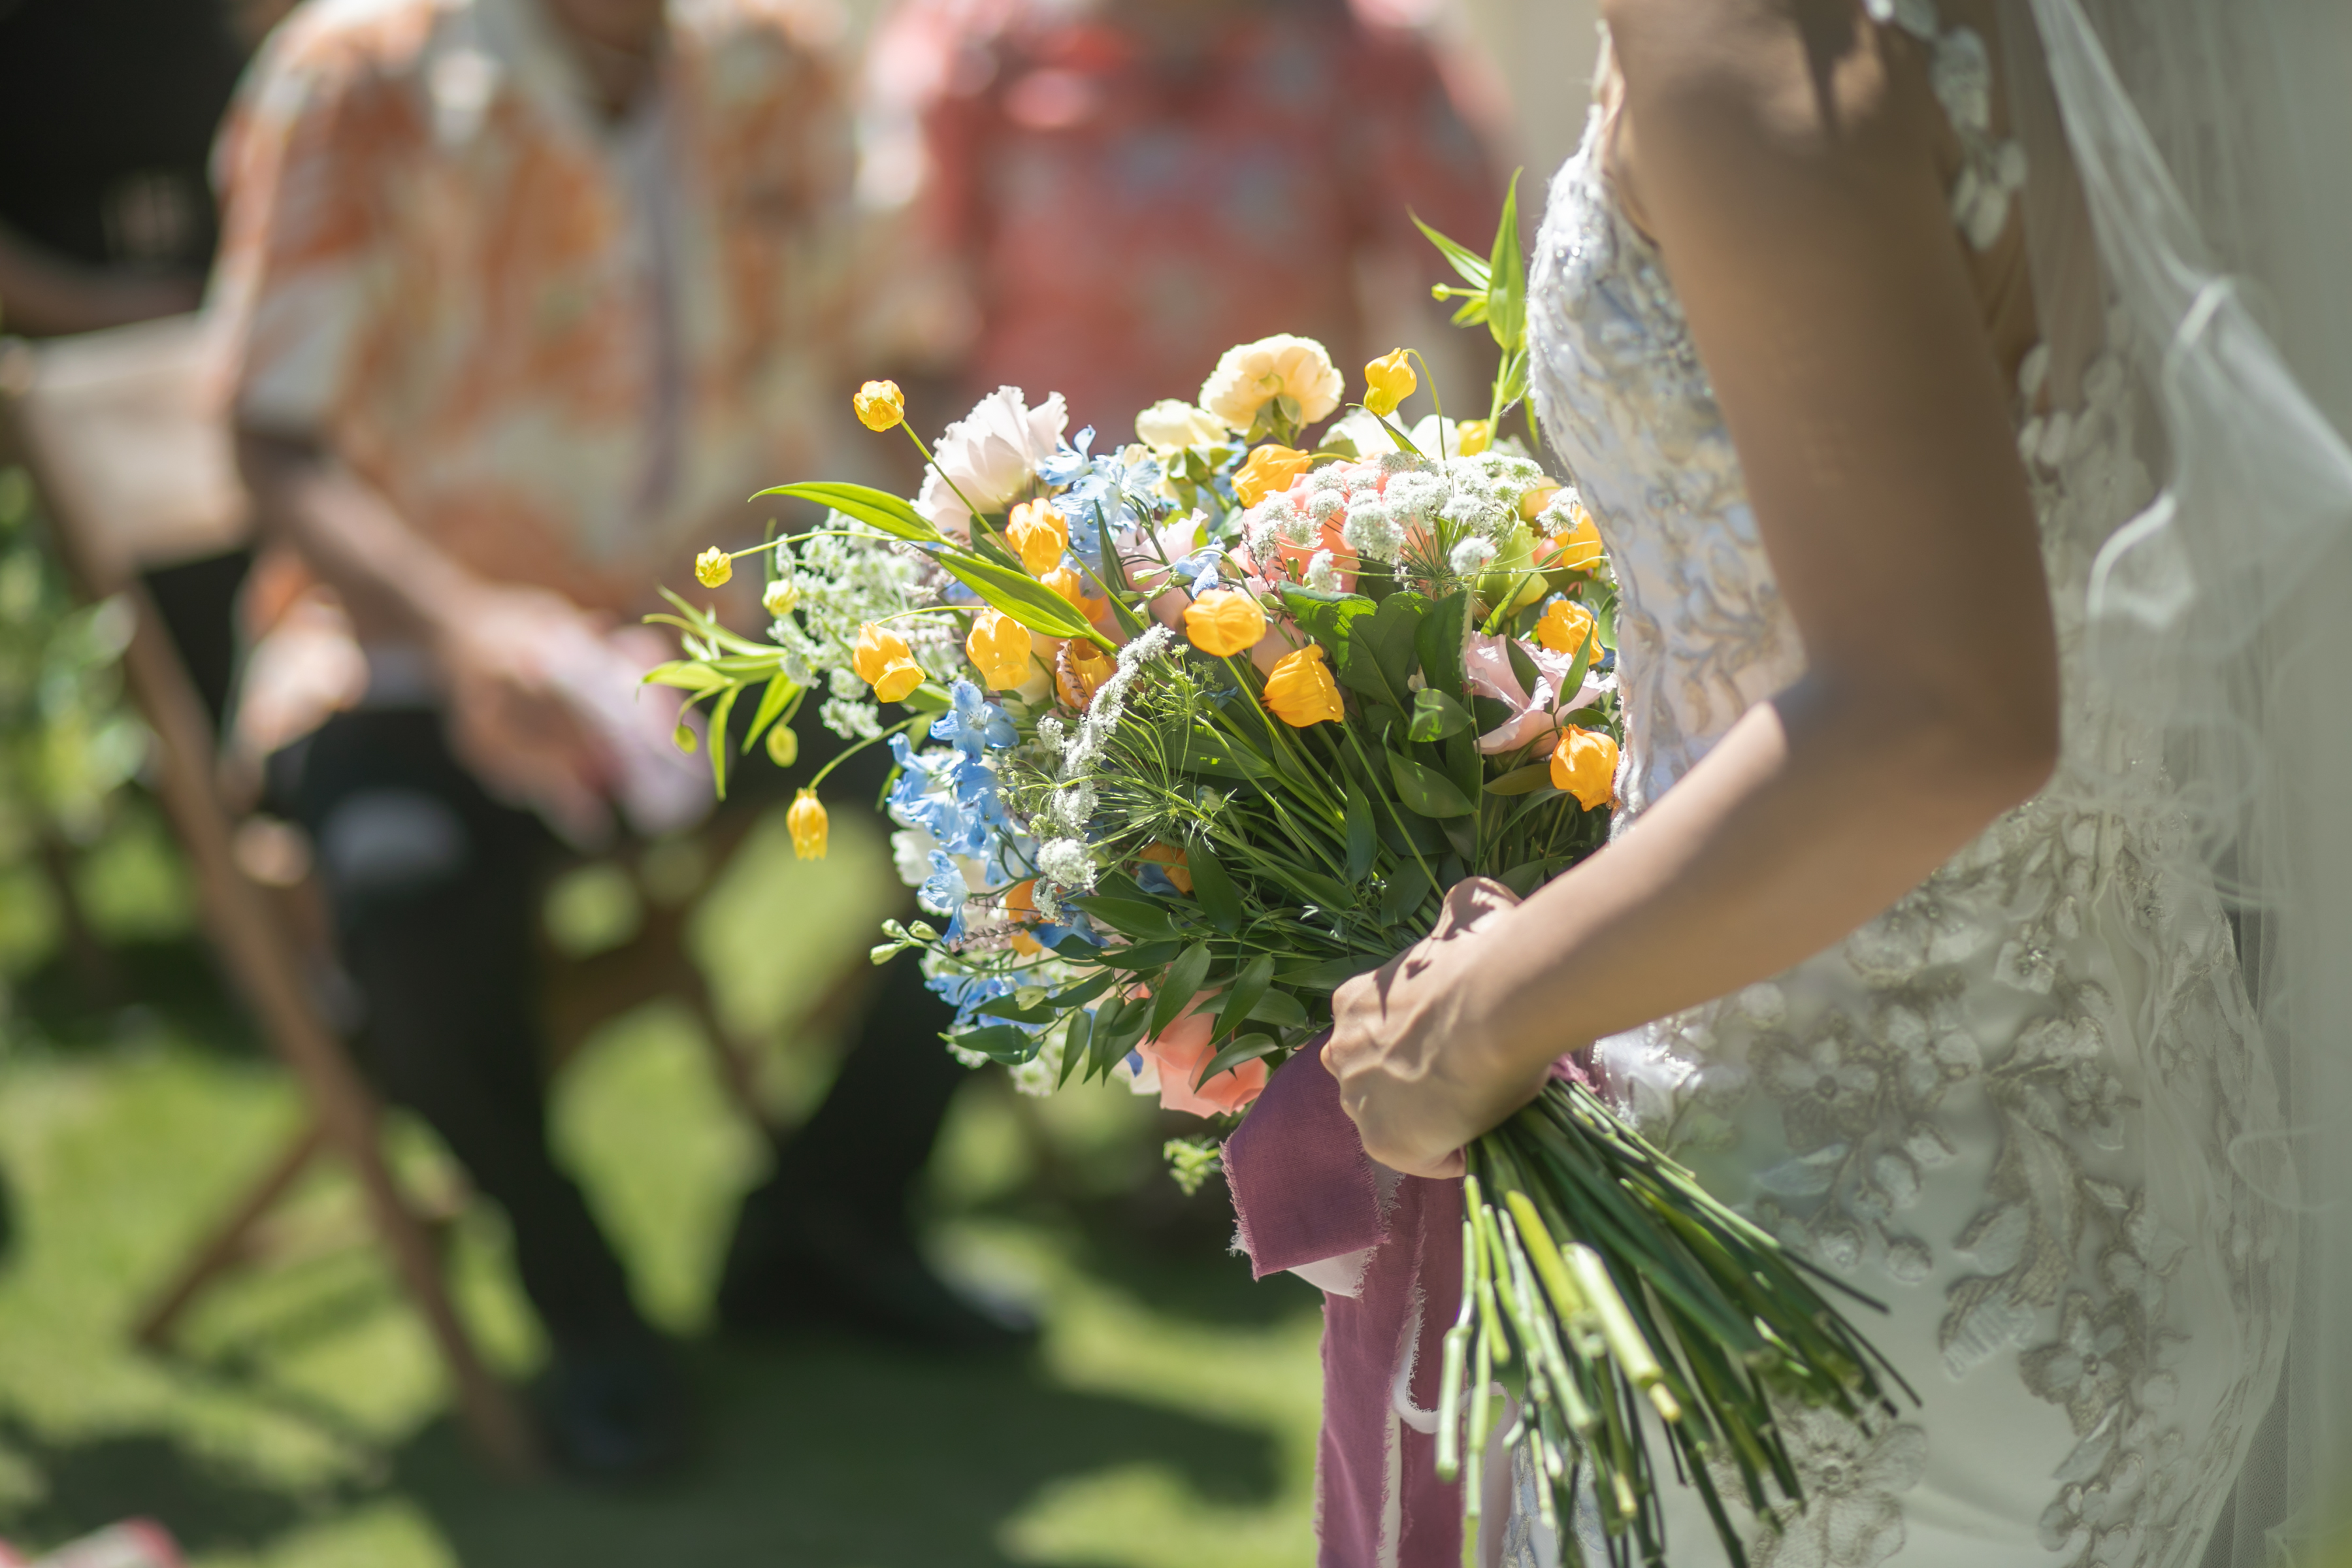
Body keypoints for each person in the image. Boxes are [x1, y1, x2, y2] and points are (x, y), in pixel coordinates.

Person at [1317, 0, 2352, 1563]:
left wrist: (1466, 1021)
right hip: (2142, 1176)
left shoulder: (1751, 30)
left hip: (1812, 1244)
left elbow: (1941, 707)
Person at [210, 0, 1023, 1480]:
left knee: (1023, 804)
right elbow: (271, 431)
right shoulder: (360, 80)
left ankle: (831, 1212)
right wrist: (464, 627)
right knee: (400, 898)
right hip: (413, 647)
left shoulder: (777, 60)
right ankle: (576, 1290)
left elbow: (886, 343)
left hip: (722, 624)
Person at [862, 0, 1504, 436]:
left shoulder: (1367, 53)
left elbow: (1498, 328)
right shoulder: (978, 51)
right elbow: (865, 336)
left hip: (1299, 570)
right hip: (1047, 570)